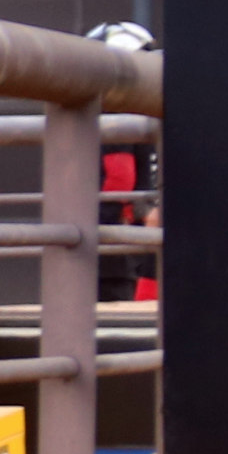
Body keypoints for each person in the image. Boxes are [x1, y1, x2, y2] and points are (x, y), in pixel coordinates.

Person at [89, 19, 161, 302]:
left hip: (116, 237)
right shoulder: (146, 111)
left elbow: (120, 175)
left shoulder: (116, 113)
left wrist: (99, 224)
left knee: (114, 312)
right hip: (140, 228)